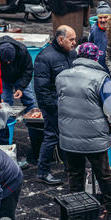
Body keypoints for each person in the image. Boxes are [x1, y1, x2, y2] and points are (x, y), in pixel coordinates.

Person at [56, 42, 111, 220]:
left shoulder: (62, 76)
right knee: (103, 174)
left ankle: (76, 211)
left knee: (75, 175)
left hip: (68, 136)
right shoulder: (100, 77)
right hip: (93, 137)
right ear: (95, 57)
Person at [34, 25, 77, 185]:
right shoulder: (44, 57)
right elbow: (42, 88)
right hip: (54, 106)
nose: (74, 42)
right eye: (71, 39)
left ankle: (69, 167)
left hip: (69, 104)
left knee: (67, 137)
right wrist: (54, 107)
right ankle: (42, 172)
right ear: (60, 40)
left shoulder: (71, 54)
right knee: (51, 136)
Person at [0, 35, 38, 167]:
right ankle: (6, 137)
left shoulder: (23, 51)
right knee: (4, 106)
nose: (8, 62)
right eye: (5, 61)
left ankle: (35, 135)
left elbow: (28, 70)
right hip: (4, 80)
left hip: (20, 77)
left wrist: (21, 87)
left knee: (30, 102)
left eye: (10, 60)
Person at [88, 1, 111, 72]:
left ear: (110, 17)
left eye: (105, 17)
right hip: (98, 67)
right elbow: (90, 46)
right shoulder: (94, 29)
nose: (103, 20)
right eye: (100, 18)